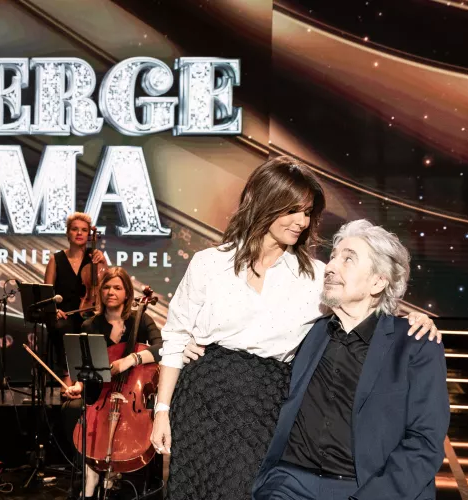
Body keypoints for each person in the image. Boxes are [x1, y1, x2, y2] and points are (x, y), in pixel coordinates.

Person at [150, 156, 440, 500]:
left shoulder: (314, 276)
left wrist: (410, 317)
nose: (302, 222)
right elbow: (175, 336)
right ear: (263, 202)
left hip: (262, 407)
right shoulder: (209, 264)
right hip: (201, 398)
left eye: (307, 212)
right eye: (292, 210)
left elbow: (363, 300)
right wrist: (162, 410)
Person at [252, 220, 449, 500]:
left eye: (348, 259)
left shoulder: (415, 342)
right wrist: (194, 340)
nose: (330, 266)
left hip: (365, 486)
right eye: (333, 257)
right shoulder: (309, 330)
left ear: (378, 281)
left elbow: (425, 442)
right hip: (289, 482)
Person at [62, 267, 163, 498]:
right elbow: (85, 368)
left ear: (127, 293)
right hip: (101, 392)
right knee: (70, 409)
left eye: (117, 287)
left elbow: (162, 348)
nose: (111, 292)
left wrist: (131, 359)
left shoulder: (140, 319)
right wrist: (78, 385)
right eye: (106, 287)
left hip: (133, 392)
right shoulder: (90, 325)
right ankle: (90, 469)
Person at [44, 212, 106, 390]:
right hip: (64, 313)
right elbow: (47, 294)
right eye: (75, 229)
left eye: (84, 230)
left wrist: (103, 263)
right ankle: (67, 375)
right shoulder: (56, 259)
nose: (79, 233)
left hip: (89, 311)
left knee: (93, 325)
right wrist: (54, 309)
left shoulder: (95, 258)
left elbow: (106, 285)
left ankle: (87, 379)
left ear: (89, 235)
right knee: (63, 327)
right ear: (68, 233)